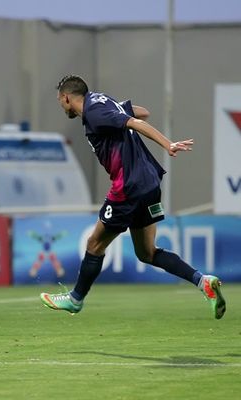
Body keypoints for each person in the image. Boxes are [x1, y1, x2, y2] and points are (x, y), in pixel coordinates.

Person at [39, 75, 226, 319]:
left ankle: (75, 299)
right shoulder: (102, 101)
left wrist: (167, 144)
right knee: (147, 252)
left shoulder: (94, 112)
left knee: (94, 244)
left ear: (66, 98)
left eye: (59, 101)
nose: (61, 106)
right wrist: (120, 111)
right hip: (149, 183)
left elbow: (136, 122)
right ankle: (203, 282)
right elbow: (143, 112)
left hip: (127, 187)